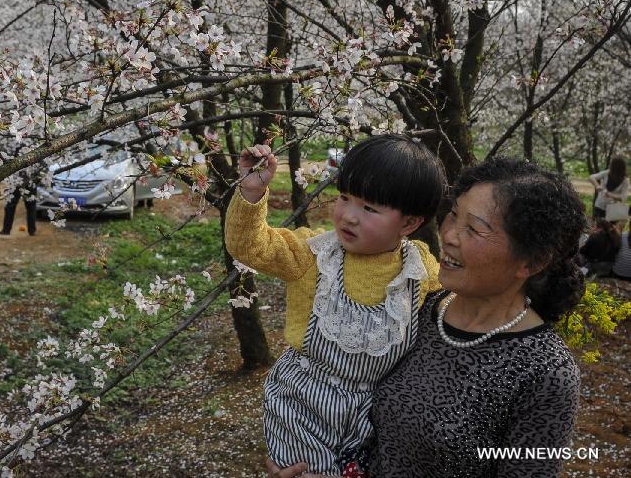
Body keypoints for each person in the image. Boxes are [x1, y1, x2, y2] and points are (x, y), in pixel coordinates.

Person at [268, 157, 586, 478]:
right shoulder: (413, 308)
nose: (448, 235)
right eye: (453, 215)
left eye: (473, 229)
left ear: (531, 262)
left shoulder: (547, 374)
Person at [226, 134, 446, 476]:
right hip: (300, 405)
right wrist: (252, 192)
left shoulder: (420, 271)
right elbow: (251, 247)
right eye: (344, 197)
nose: (348, 216)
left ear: (409, 223)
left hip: (372, 413)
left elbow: (458, 307)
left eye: (370, 208)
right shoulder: (312, 253)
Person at [0, 168, 37, 236]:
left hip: (24, 183)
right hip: (18, 183)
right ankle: (31, 230)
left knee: (30, 207)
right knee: (11, 207)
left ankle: (6, 230)